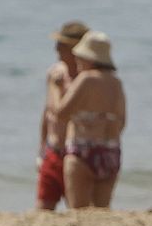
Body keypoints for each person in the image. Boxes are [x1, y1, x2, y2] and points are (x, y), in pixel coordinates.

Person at [53, 31, 127, 209]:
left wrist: (57, 88)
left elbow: (60, 113)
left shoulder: (86, 79)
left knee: (78, 211)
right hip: (110, 151)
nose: (77, 61)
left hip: (82, 150)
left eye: (80, 57)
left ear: (90, 59)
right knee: (102, 211)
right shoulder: (116, 83)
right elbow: (122, 121)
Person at [36, 20, 88, 211]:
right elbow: (48, 113)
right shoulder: (55, 73)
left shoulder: (86, 79)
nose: (57, 48)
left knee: (77, 209)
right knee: (43, 207)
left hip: (76, 153)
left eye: (62, 44)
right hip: (53, 149)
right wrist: (41, 149)